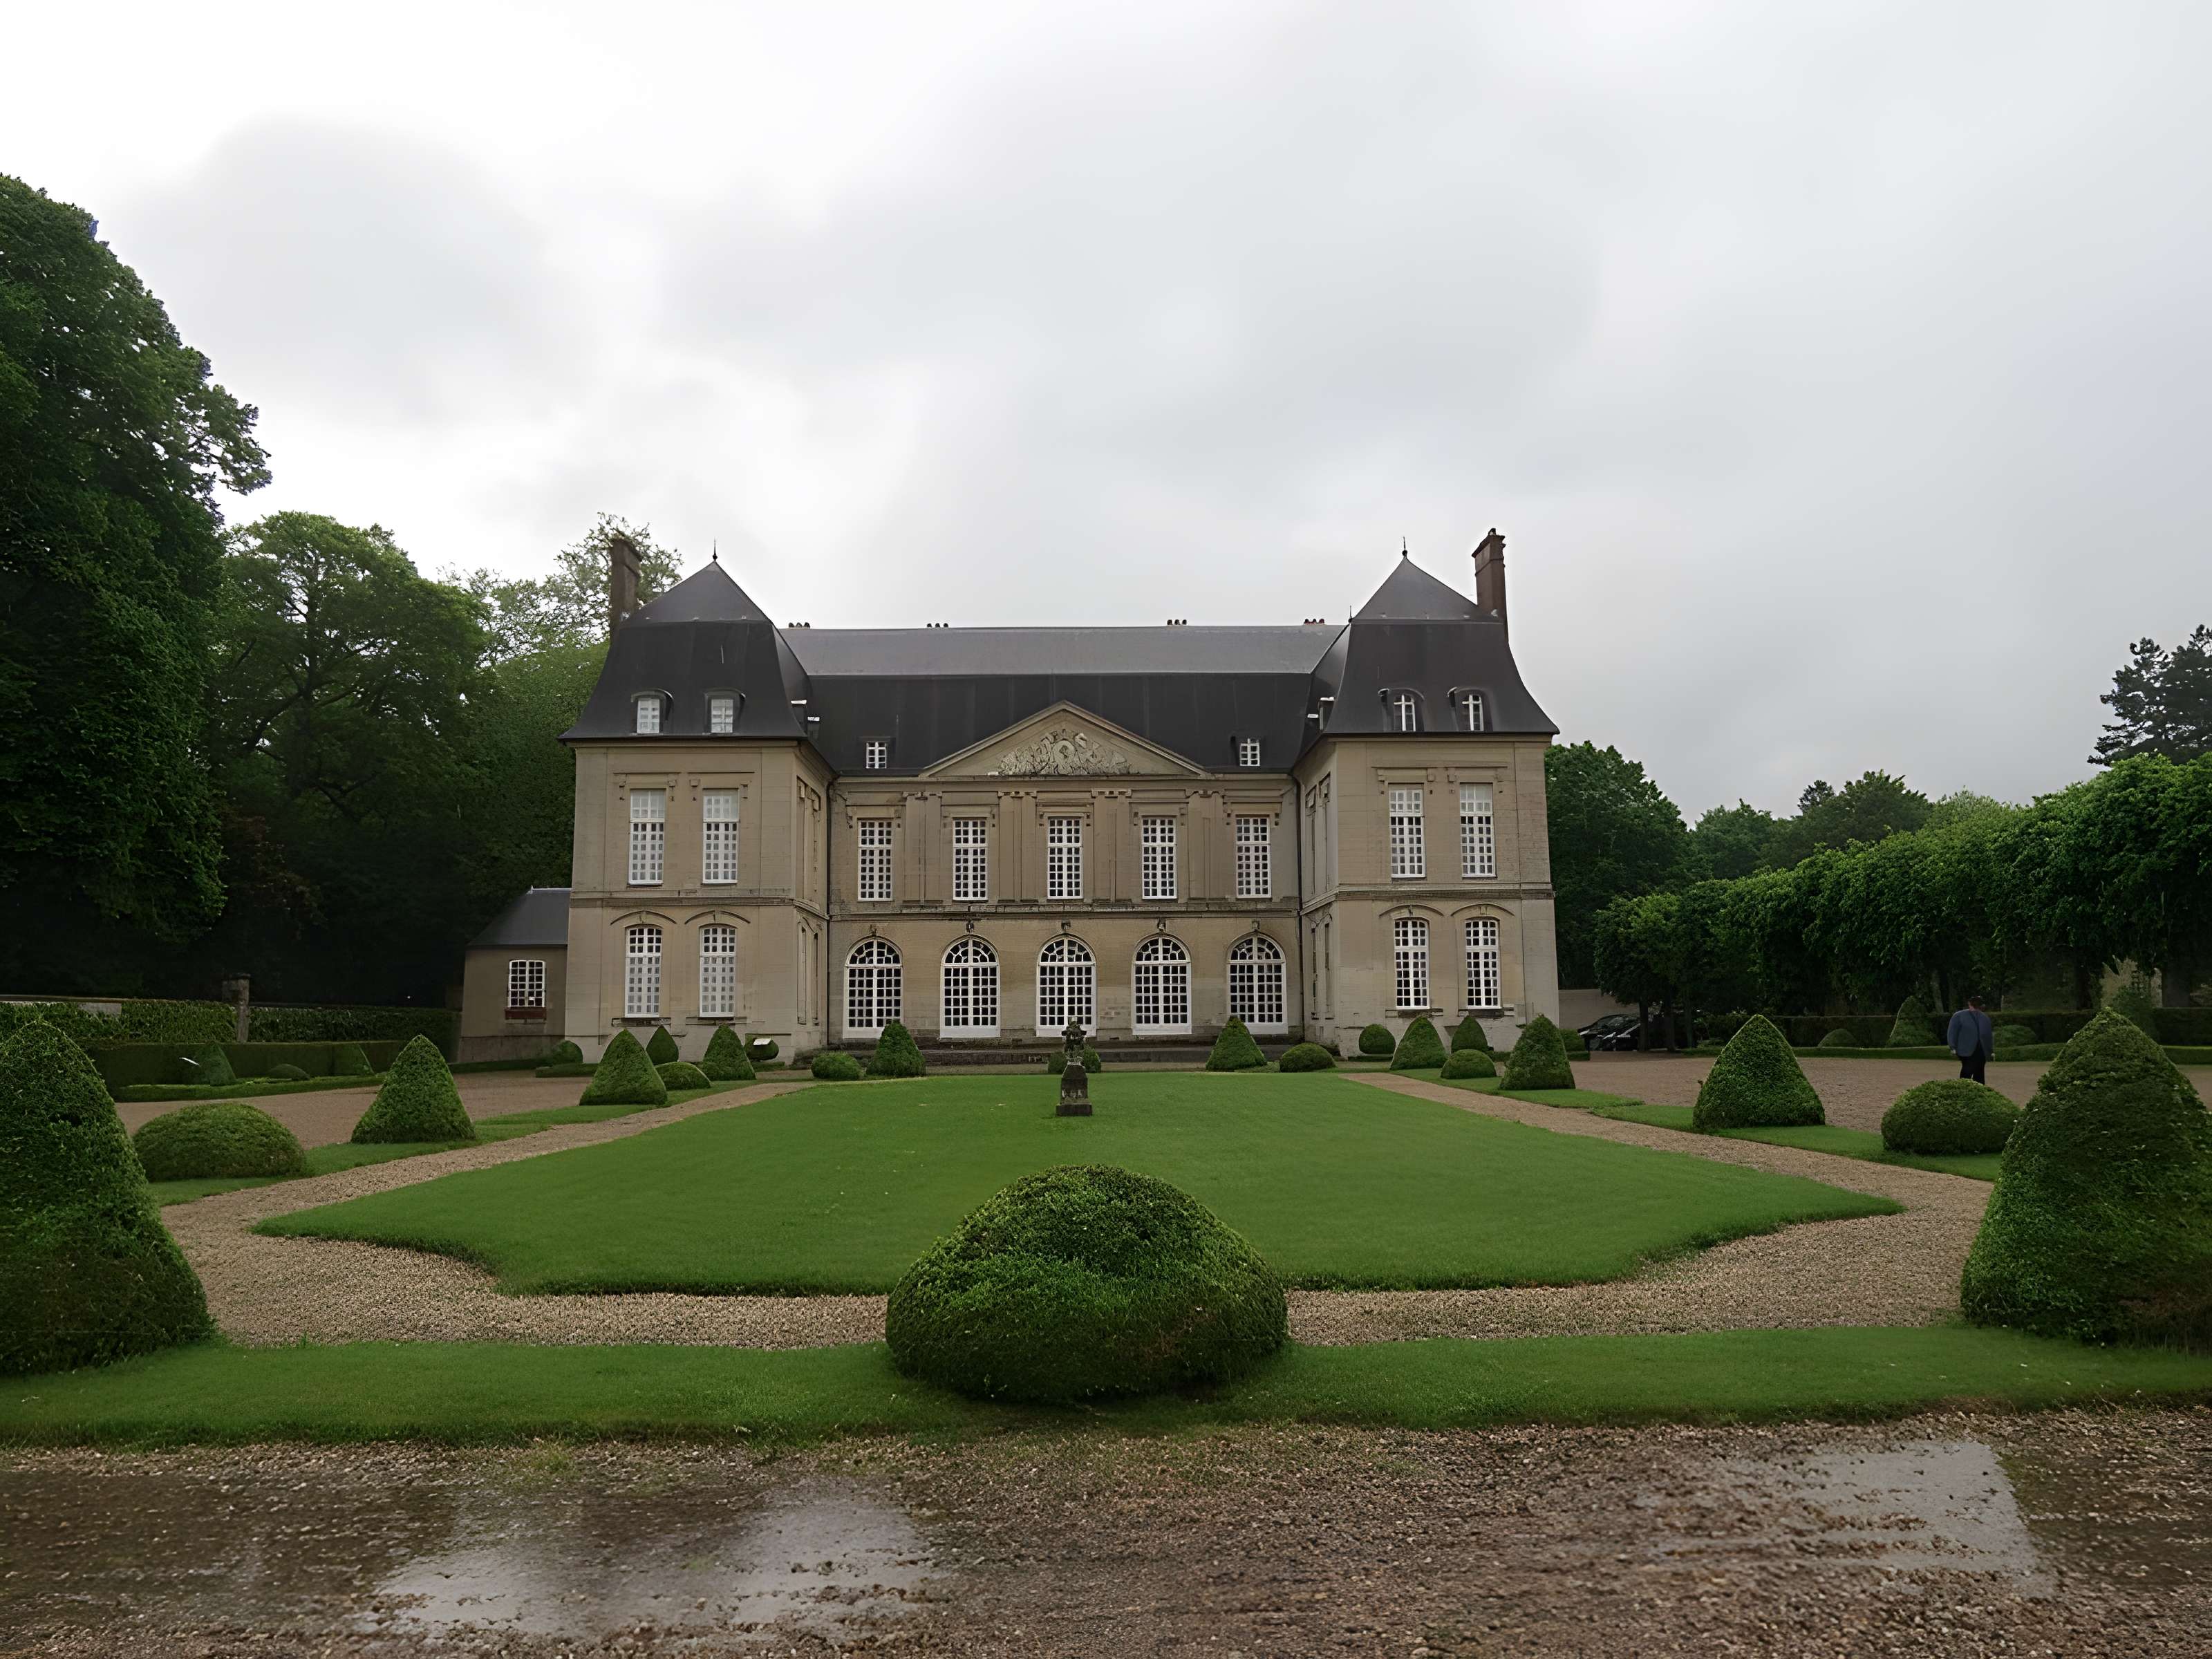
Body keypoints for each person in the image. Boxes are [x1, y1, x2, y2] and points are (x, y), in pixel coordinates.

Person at [1947, 995, 1994, 1084]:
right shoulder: (1959, 1016)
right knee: (1968, 1069)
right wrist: (1952, 1046)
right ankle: (1965, 1089)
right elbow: (1952, 1032)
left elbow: (1988, 1036)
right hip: (1966, 1049)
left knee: (1979, 1072)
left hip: (1981, 1049)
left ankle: (1978, 1092)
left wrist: (1990, 1050)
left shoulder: (1984, 1018)